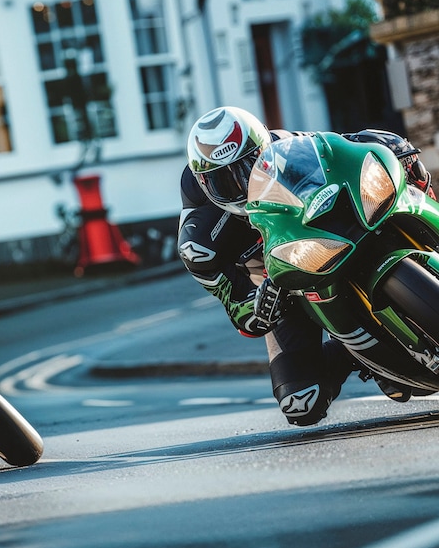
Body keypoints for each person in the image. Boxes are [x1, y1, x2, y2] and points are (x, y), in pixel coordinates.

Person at [178, 106, 435, 426]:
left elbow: (333, 149)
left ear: (263, 146)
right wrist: (259, 305)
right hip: (281, 283)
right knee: (301, 402)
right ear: (204, 183)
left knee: (410, 173)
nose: (244, 183)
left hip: (331, 235)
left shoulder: (282, 146)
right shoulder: (199, 243)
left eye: (250, 166)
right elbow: (238, 312)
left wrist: (379, 143)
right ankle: (357, 354)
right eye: (226, 180)